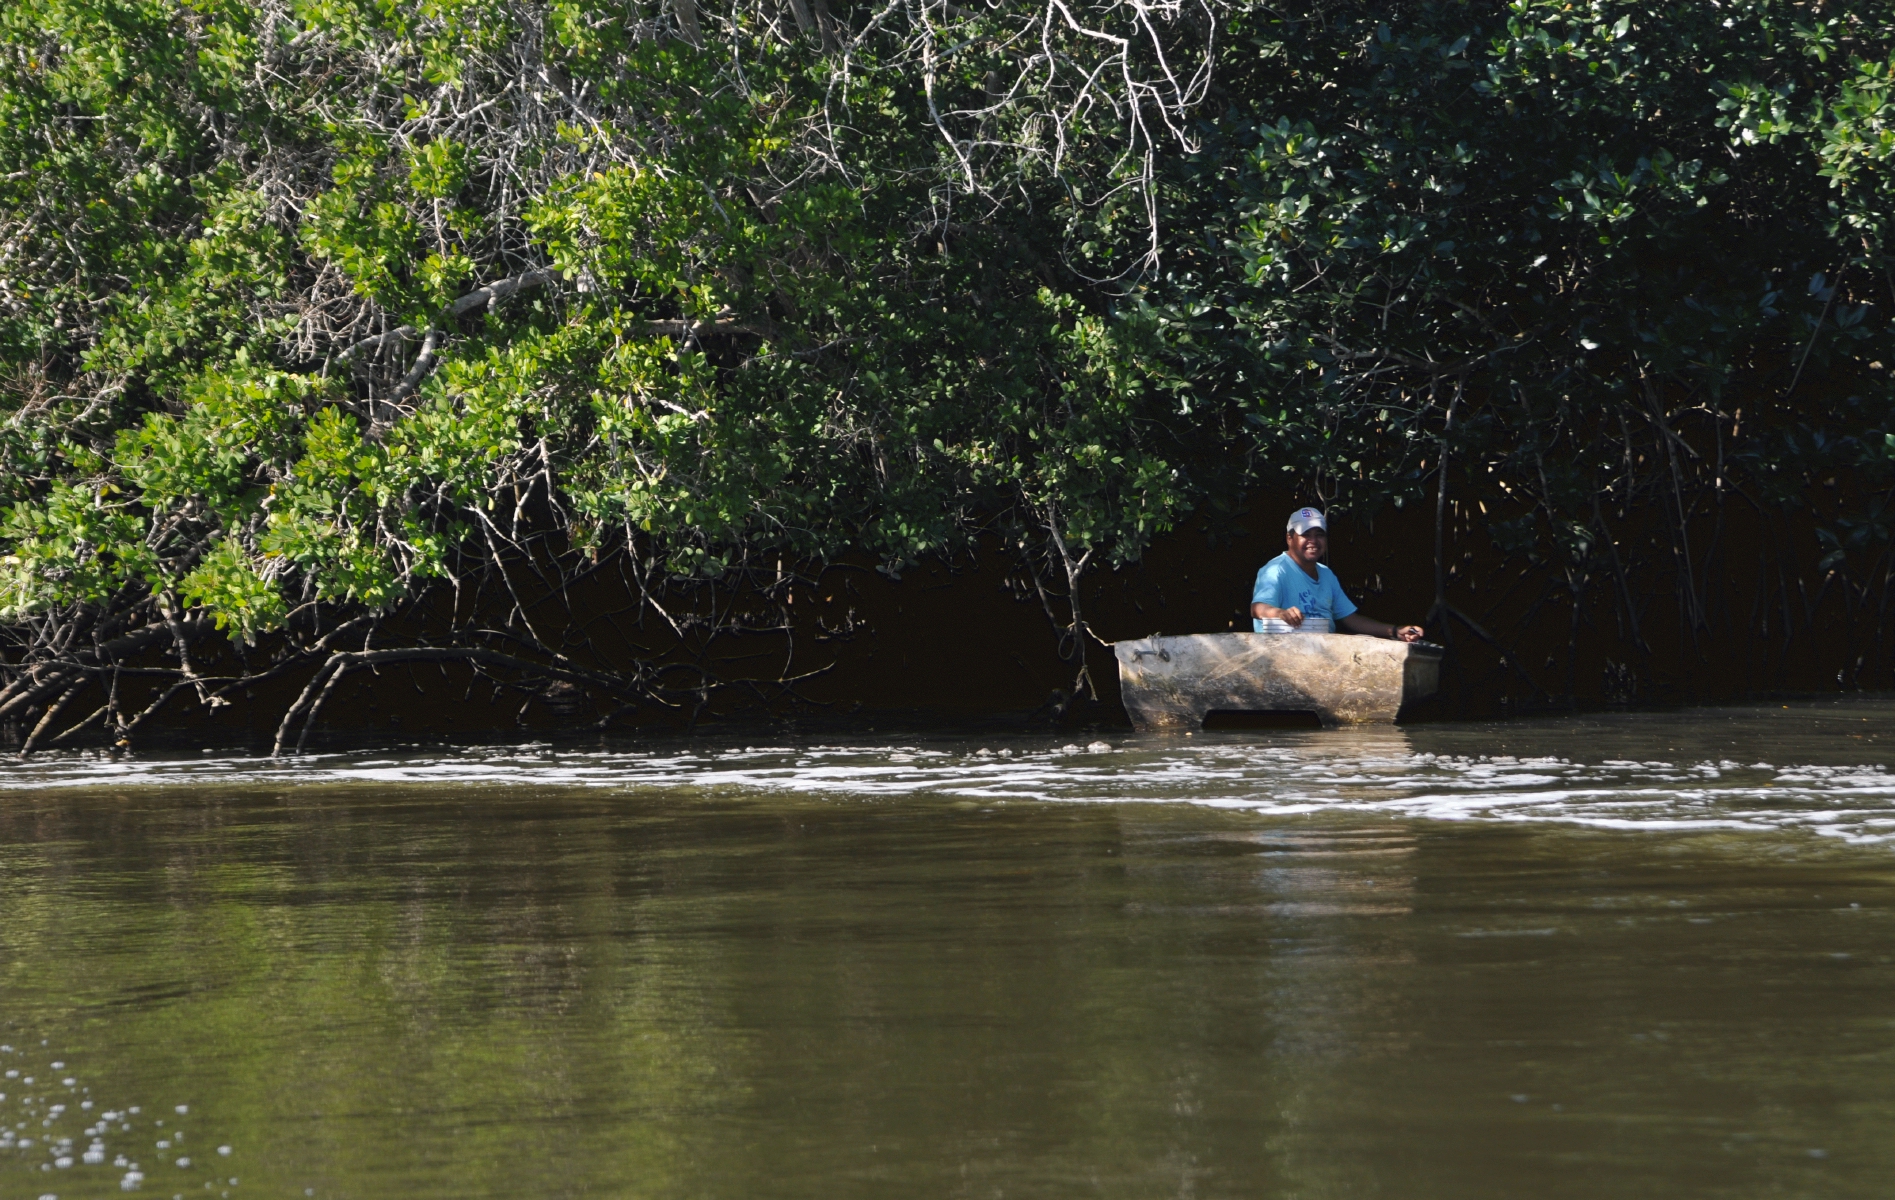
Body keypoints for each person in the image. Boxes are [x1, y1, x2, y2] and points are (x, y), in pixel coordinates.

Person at [1251, 508, 1425, 642]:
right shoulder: (1276, 570)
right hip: (1283, 655)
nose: (1313, 541)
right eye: (1305, 535)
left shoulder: (1326, 574)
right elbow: (1257, 608)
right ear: (1290, 538)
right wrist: (1281, 613)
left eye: (1319, 535)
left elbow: (1350, 619)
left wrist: (1396, 631)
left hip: (1322, 654)